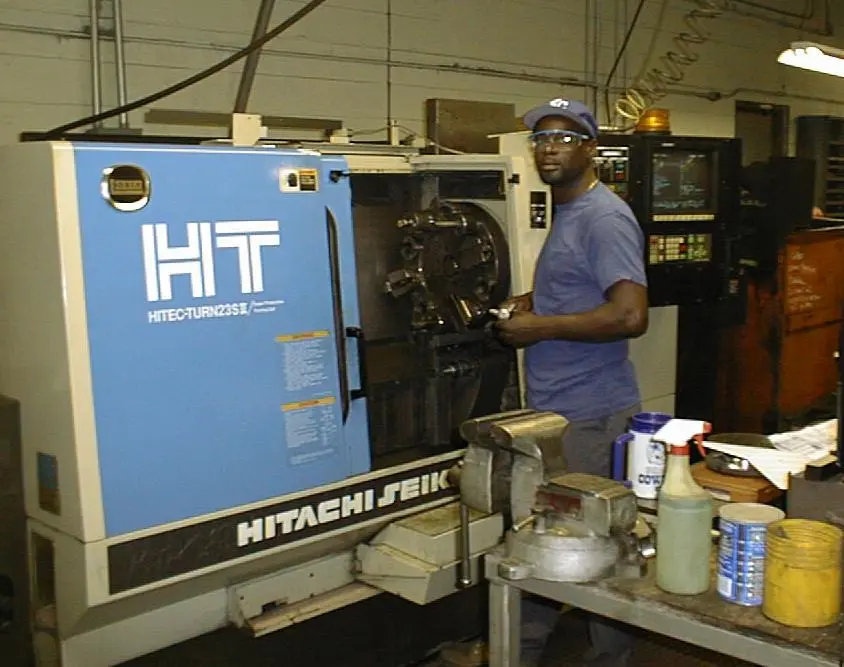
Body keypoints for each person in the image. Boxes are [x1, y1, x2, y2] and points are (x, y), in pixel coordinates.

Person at [494, 98, 649, 667]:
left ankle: (601, 658)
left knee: (591, 550)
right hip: (557, 413)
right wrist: (535, 303)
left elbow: (631, 314)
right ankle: (523, 650)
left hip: (588, 415)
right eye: (541, 138)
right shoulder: (570, 213)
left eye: (564, 137)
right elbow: (585, 288)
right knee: (550, 541)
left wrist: (539, 326)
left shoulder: (604, 217)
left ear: (591, 150)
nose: (549, 147)